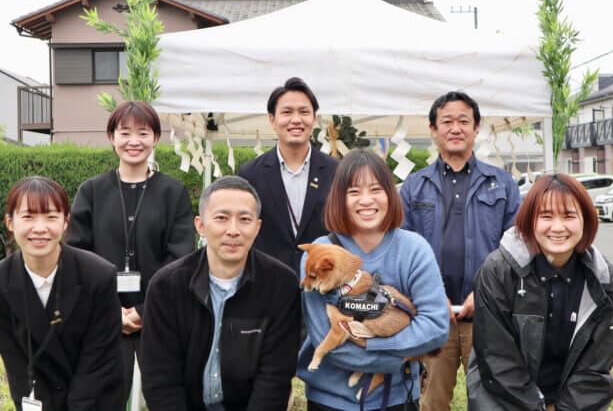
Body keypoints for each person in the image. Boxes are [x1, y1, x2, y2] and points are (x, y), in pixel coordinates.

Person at [298, 150, 449, 410]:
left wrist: (374, 343)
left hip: (398, 399)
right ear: (338, 198)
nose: (366, 200)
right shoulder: (319, 252)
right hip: (329, 401)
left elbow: (435, 327)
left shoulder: (414, 249)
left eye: (376, 189)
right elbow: (328, 341)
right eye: (353, 192)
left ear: (391, 194)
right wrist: (401, 357)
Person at [399, 91, 521, 411]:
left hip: (488, 317)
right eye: (447, 121)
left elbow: (517, 247)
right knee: (432, 401)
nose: (456, 128)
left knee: (492, 401)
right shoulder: (414, 187)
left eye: (463, 121)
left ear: (476, 128)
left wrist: (484, 293)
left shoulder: (502, 184)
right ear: (433, 129)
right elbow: (402, 250)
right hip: (433, 317)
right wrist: (427, 296)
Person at [67, 100, 196, 401]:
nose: (134, 141)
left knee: (168, 399)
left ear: (156, 139)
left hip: (161, 319)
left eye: (143, 132)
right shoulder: (92, 191)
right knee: (103, 399)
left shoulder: (173, 192)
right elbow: (77, 256)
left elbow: (180, 258)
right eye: (125, 132)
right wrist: (113, 311)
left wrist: (142, 310)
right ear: (111, 137)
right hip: (102, 320)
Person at [140, 175, 300, 411]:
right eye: (221, 218)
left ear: (257, 228)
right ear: (200, 226)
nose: (233, 230)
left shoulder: (281, 285)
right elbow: (160, 380)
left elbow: (274, 379)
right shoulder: (166, 286)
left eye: (244, 219)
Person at [467, 173, 613, 410]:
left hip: (570, 400)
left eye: (569, 216)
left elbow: (596, 363)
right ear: (530, 221)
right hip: (503, 396)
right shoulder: (497, 270)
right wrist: (537, 407)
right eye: (546, 216)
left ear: (586, 221)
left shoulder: (604, 278)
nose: (558, 227)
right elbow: (497, 357)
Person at [0, 177, 124, 411]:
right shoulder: (2, 281)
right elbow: (15, 365)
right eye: (28, 217)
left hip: (95, 401)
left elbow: (99, 362)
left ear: (66, 222)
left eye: (51, 216)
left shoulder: (98, 276)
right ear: (10, 222)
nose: (40, 228)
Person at [238, 77, 339, 275]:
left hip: (322, 283)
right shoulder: (250, 174)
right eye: (286, 112)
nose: (296, 120)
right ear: (272, 120)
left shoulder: (336, 171)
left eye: (304, 112)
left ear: (314, 119)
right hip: (267, 283)